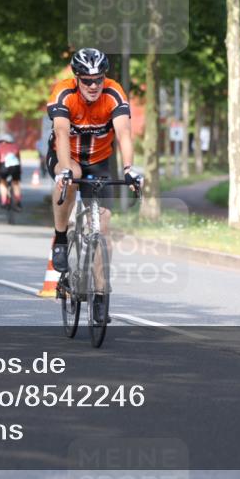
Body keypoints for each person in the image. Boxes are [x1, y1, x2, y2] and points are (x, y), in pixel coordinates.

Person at [46, 47, 141, 322]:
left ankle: (100, 295)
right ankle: (61, 238)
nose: (93, 85)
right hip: (68, 156)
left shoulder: (113, 93)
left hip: (99, 162)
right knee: (71, 175)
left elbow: (123, 133)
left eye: (98, 79)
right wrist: (65, 171)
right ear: (76, 78)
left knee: (104, 227)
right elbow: (62, 133)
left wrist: (128, 169)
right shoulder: (63, 93)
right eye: (86, 80)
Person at [0, 132, 22, 210]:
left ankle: (4, 201)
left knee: (2, 183)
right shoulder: (16, 146)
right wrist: (20, 169)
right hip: (16, 166)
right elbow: (19, 159)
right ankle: (18, 201)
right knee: (16, 183)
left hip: (4, 166)